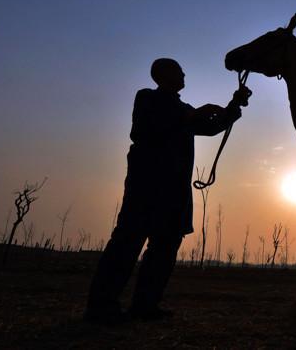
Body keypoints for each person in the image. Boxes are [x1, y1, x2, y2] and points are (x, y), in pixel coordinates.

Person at [84, 58, 251, 323]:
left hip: (174, 191)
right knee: (127, 245)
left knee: (164, 249)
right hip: (146, 187)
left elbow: (209, 128)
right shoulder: (147, 98)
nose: (184, 73)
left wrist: (234, 105)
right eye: (178, 70)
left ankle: (145, 306)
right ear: (163, 75)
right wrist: (192, 115)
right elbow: (145, 130)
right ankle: (101, 306)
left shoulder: (182, 108)